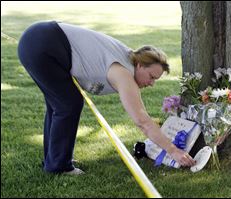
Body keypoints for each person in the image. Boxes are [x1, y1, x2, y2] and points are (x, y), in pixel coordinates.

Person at [17, 21, 196, 175]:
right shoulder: (123, 73)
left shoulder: (128, 58)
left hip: (39, 38)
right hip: (43, 44)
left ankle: (54, 160)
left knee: (61, 105)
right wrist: (172, 150)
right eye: (151, 77)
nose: (151, 84)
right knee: (68, 104)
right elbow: (143, 121)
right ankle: (59, 165)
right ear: (140, 65)